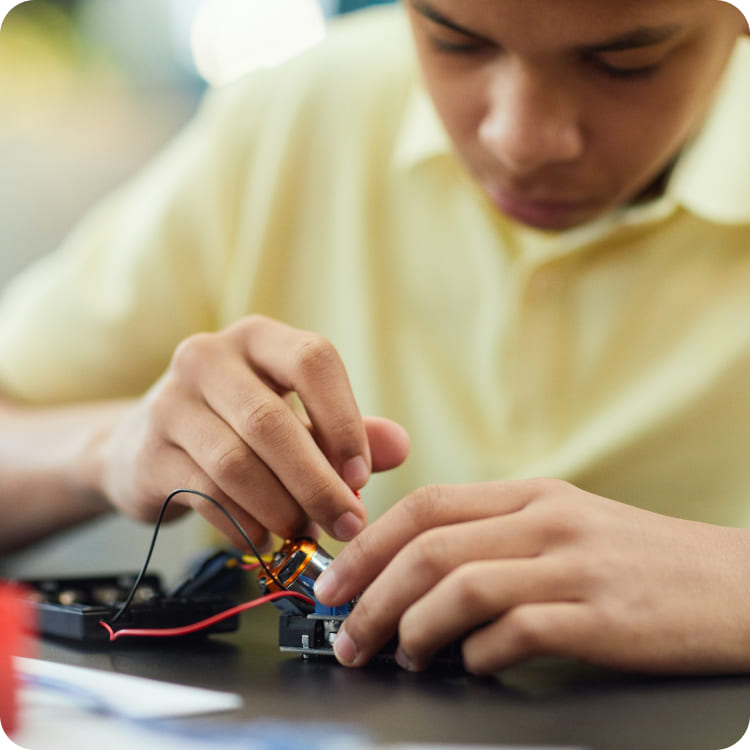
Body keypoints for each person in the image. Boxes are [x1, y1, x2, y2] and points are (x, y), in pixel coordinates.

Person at [0, 0, 749, 675]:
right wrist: (107, 448)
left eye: (626, 62)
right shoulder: (298, 111)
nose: (519, 139)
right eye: (453, 40)